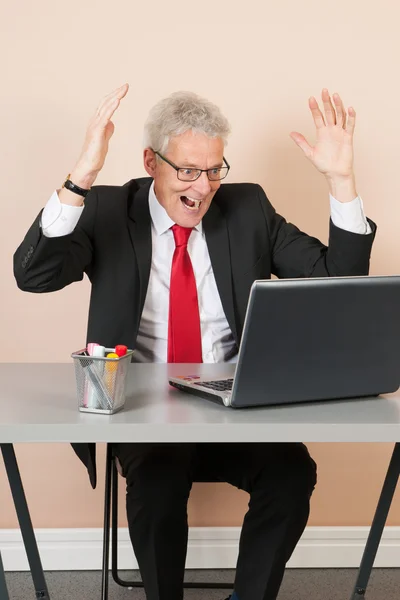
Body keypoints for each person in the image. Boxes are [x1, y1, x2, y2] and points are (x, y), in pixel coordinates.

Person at [14, 85, 376, 600]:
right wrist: (82, 177)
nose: (202, 187)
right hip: (145, 415)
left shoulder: (247, 207)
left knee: (292, 474)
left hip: (236, 409)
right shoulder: (108, 208)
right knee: (158, 485)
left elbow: (339, 281)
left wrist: (342, 182)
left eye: (213, 170)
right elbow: (35, 275)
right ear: (151, 162)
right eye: (187, 170)